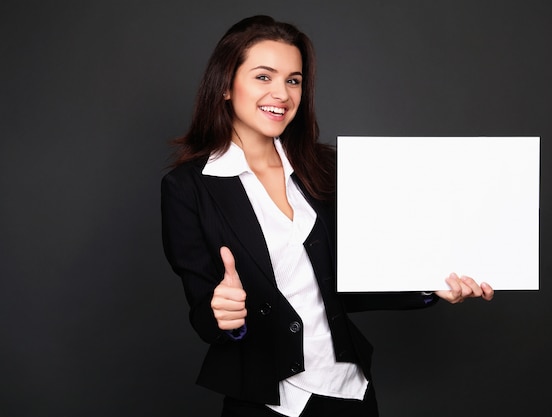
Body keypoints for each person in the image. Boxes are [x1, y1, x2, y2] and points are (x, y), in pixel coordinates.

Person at [161, 15, 494, 417]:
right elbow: (204, 313)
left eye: (294, 80)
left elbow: (351, 279)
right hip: (266, 401)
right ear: (226, 85)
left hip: (348, 391)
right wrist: (222, 313)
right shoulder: (188, 187)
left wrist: (430, 285)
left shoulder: (325, 166)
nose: (281, 94)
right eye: (263, 77)